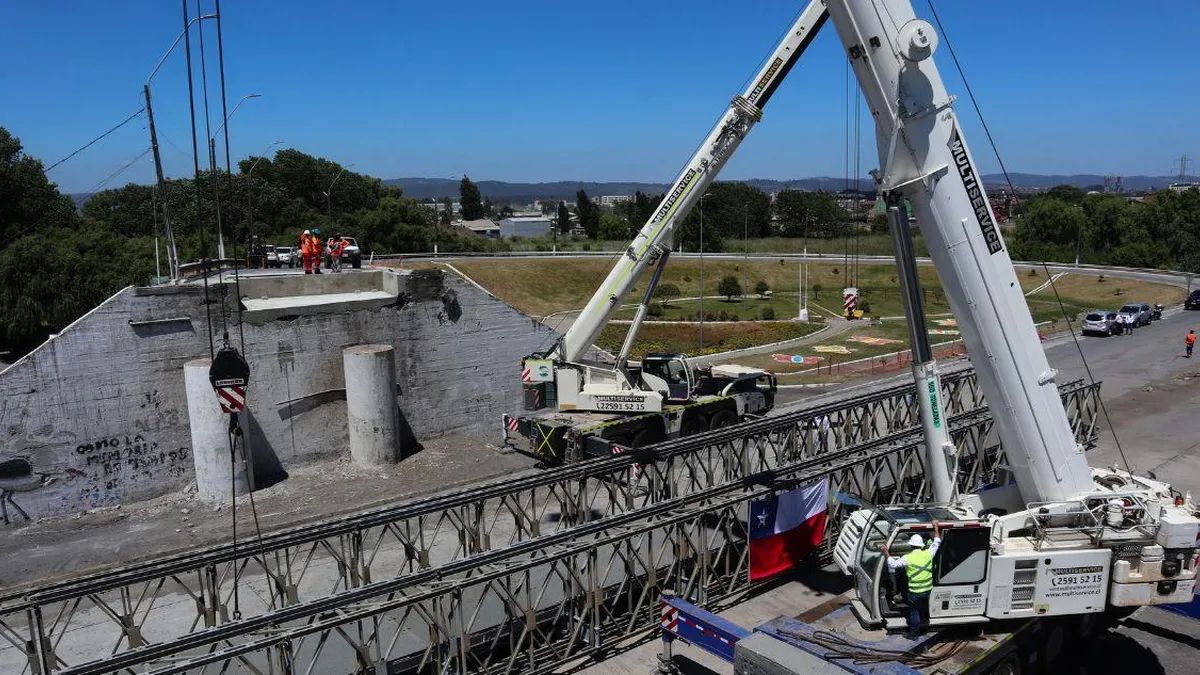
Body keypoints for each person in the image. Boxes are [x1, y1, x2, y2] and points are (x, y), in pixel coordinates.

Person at [883, 523, 941, 639]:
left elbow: (892, 564)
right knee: (922, 606)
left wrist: (886, 551)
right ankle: (924, 620)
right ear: (921, 545)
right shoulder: (929, 553)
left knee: (914, 612)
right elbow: (937, 541)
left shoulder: (907, 557)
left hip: (915, 592)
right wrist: (936, 527)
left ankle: (913, 634)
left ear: (911, 546)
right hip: (927, 590)